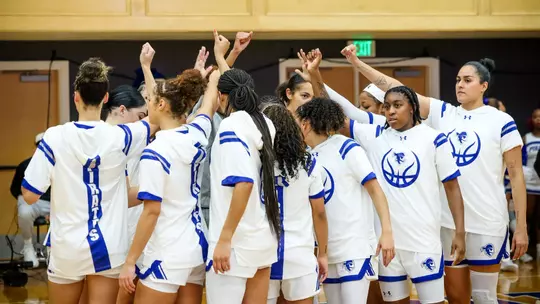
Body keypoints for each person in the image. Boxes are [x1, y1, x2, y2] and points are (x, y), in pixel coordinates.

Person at [341, 44, 528, 304]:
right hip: (449, 224)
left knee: (485, 297)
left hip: (488, 221)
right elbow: (397, 88)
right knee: (456, 297)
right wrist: (357, 64)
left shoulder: (501, 121)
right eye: (457, 80)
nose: (460, 84)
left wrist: (521, 226)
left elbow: (516, 175)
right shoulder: (444, 113)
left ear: (483, 86)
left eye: (467, 80)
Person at [21, 56, 157, 304]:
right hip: (108, 248)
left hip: (66, 248)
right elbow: (157, 115)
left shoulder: (54, 138)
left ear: (76, 97)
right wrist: (146, 67)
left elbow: (29, 195)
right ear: (106, 98)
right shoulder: (121, 137)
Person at [119, 45, 220, 304]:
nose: (147, 104)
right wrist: (218, 67)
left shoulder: (157, 150)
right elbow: (208, 104)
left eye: (150, 100)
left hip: (167, 249)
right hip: (196, 247)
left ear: (161, 104)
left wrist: (130, 261)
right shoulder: (196, 132)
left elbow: (152, 211)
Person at [351, 85, 466, 303]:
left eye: (397, 105)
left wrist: (460, 232)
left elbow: (453, 189)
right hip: (388, 244)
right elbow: (342, 112)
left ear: (412, 107)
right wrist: (316, 76)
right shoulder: (375, 137)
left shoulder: (434, 138)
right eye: (386, 107)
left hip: (424, 241)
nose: (390, 111)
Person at [205, 29, 280, 304]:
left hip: (236, 242)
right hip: (261, 236)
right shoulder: (264, 123)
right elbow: (235, 86)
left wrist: (224, 239)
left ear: (222, 97)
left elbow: (244, 182)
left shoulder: (230, 127)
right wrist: (223, 57)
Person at [295, 97, 394, 304]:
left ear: (306, 123)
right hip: (327, 251)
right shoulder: (307, 157)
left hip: (354, 247)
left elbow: (375, 189)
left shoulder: (347, 147)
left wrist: (386, 232)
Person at [260, 102, 328, 304]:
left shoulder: (254, 162)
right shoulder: (308, 163)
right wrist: (322, 253)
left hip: (262, 255)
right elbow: (320, 212)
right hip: (299, 255)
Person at [10, 132, 51, 268]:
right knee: (24, 210)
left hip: (52, 204)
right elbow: (15, 189)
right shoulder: (24, 166)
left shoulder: (59, 166)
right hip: (32, 202)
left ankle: (54, 248)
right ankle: (28, 246)